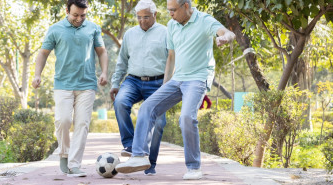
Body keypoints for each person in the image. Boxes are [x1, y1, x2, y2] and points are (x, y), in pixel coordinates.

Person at [115, 0, 235, 180]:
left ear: (186, 6)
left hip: (197, 78)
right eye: (168, 10)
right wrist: (165, 85)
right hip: (177, 79)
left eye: (173, 10)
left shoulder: (204, 21)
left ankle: (194, 167)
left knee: (186, 117)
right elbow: (171, 56)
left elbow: (228, 32)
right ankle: (138, 156)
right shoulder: (172, 25)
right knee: (147, 107)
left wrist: (224, 37)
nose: (170, 14)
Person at [32, 0, 108, 177]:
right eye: (75, 15)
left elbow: (102, 51)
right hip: (63, 84)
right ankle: (64, 153)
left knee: (82, 124)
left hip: (87, 84)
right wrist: (37, 74)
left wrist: (104, 72)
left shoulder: (93, 28)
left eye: (83, 15)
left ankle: (74, 164)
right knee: (63, 120)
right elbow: (43, 53)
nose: (79, 19)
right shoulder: (55, 29)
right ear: (67, 10)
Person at [110, 0, 168, 175]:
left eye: (146, 17)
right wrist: (115, 83)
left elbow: (173, 61)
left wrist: (169, 84)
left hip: (158, 82)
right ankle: (130, 144)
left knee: (159, 122)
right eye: (139, 17)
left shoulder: (166, 33)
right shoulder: (130, 34)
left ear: (155, 15)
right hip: (133, 81)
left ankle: (150, 163)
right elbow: (122, 62)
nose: (142, 21)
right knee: (120, 102)